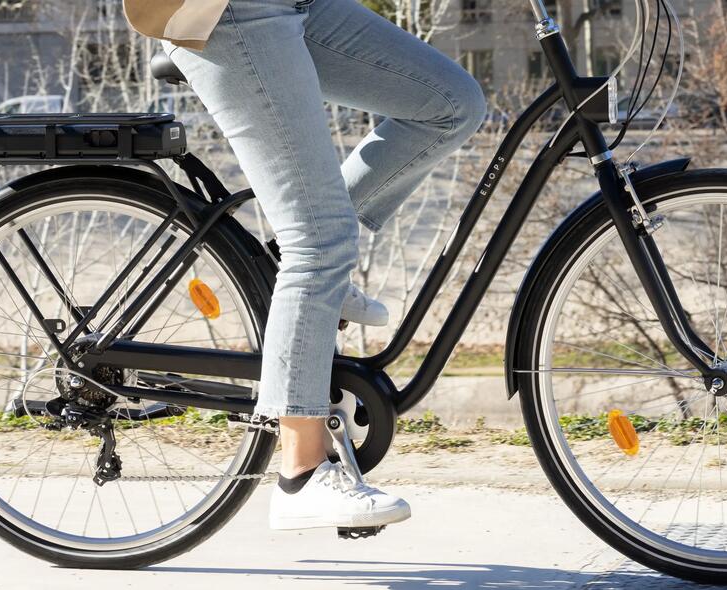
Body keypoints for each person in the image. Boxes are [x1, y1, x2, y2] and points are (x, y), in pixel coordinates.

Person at [122, 0, 487, 530]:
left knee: (452, 103)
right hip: (227, 12)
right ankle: (301, 473)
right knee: (319, 241)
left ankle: (310, 278)